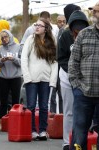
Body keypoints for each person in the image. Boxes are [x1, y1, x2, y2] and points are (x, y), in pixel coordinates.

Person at [68, 2, 99, 149]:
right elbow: (73, 62)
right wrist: (76, 87)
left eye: (98, 11)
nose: (95, 13)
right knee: (79, 136)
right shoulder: (83, 34)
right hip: (83, 94)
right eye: (94, 11)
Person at [21, 18, 58, 141]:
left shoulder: (51, 42)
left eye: (40, 25)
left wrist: (52, 80)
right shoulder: (30, 39)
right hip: (31, 79)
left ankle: (42, 130)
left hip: (46, 79)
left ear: (46, 28)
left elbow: (54, 63)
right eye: (36, 25)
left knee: (44, 106)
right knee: (31, 105)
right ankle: (32, 131)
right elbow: (24, 59)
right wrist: (26, 77)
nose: (37, 27)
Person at [58, 9, 89, 150]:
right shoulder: (65, 36)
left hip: (84, 79)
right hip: (66, 77)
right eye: (76, 29)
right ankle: (66, 141)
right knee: (69, 111)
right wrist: (72, 73)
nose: (78, 31)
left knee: (82, 113)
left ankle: (79, 141)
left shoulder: (90, 35)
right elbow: (61, 58)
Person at [0, 29, 22, 119]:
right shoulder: (0, 49)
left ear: (10, 36)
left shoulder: (18, 47)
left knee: (15, 100)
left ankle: (15, 119)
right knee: (3, 100)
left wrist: (13, 58)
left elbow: (21, 62)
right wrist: (2, 60)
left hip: (16, 77)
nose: (4, 39)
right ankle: (2, 120)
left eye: (5, 37)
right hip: (3, 77)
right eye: (2, 37)